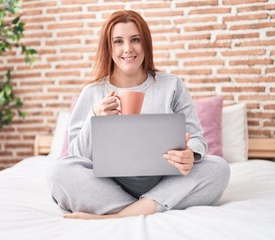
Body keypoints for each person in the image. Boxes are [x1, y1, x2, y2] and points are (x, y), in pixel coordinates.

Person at [47, 10, 230, 220]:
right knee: (58, 173)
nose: (128, 49)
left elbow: (197, 138)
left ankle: (117, 215)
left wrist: (190, 153)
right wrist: (94, 118)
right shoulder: (92, 92)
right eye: (118, 41)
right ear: (109, 47)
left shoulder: (171, 85)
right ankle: (148, 206)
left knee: (218, 168)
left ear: (146, 43)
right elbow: (76, 156)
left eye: (135, 39)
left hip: (165, 179)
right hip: (109, 184)